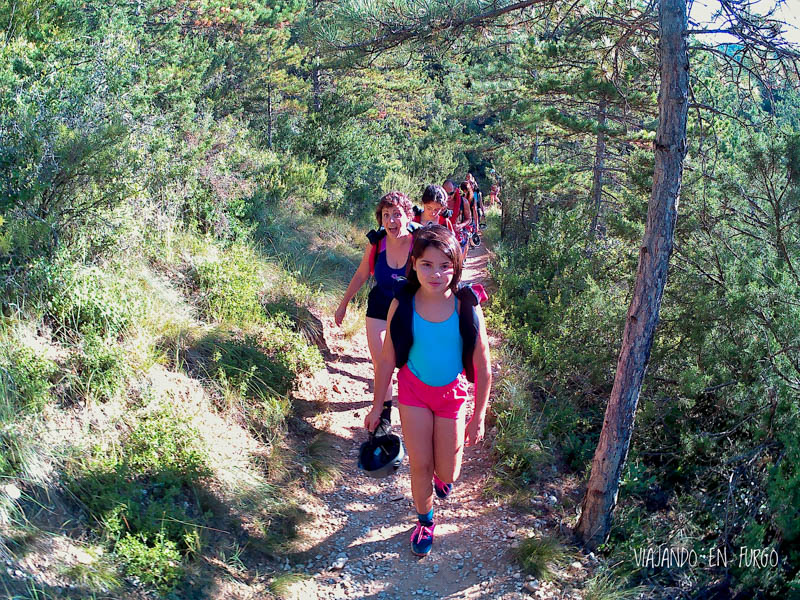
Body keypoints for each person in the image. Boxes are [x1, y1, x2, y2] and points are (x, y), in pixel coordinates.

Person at [365, 225, 492, 557]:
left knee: (447, 471)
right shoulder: (403, 304)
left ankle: (442, 480)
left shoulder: (467, 306)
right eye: (427, 265)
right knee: (420, 464)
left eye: (445, 266)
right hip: (413, 391)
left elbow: (484, 368)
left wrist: (478, 417)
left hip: (452, 394)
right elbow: (388, 358)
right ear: (414, 264)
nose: (436, 274)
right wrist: (378, 406)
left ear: (457, 266)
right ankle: (425, 520)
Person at [335, 191, 417, 434]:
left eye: (397, 215)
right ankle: (383, 418)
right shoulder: (377, 243)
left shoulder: (418, 243)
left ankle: (416, 414)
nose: (392, 221)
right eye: (386, 215)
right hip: (379, 307)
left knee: (408, 364)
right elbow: (362, 274)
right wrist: (343, 303)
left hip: (409, 309)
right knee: (382, 362)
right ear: (380, 219)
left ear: (408, 216)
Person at [459, 180, 479, 262]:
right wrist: (476, 224)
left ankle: (461, 258)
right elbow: (475, 212)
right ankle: (463, 259)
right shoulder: (472, 199)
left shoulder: (460, 198)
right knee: (466, 240)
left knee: (462, 240)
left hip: (462, 221)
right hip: (470, 221)